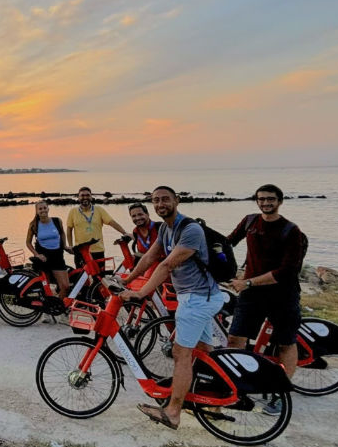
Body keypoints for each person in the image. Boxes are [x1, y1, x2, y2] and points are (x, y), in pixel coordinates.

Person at [122, 185, 231, 431]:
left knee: (181, 354)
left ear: (177, 200)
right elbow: (149, 258)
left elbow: (167, 265)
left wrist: (140, 292)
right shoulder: (165, 229)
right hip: (193, 297)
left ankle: (173, 412)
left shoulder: (190, 229)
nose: (160, 204)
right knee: (204, 350)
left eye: (165, 199)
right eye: (155, 200)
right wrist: (127, 280)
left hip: (197, 298)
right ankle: (216, 401)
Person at [225, 184, 305, 385]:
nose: (265, 203)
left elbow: (286, 272)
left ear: (279, 201)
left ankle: (282, 390)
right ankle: (235, 385)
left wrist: (248, 282)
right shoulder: (250, 221)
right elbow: (228, 243)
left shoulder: (291, 230)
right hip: (252, 294)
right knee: (235, 340)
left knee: (285, 343)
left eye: (270, 199)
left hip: (283, 295)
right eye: (261, 199)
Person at [65, 186, 127, 259]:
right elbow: (69, 229)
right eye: (82, 195)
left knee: (99, 271)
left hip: (98, 251)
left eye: (88, 195)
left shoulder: (99, 210)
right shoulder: (73, 211)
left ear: (91, 197)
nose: (85, 197)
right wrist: (71, 246)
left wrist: (124, 233)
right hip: (80, 251)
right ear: (78, 197)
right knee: (81, 271)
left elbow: (112, 222)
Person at [24, 200, 70, 295]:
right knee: (45, 287)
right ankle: (47, 308)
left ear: (48, 208)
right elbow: (28, 242)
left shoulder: (57, 221)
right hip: (43, 258)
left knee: (65, 286)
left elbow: (62, 233)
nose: (43, 210)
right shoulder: (33, 225)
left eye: (45, 208)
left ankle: (60, 307)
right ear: (37, 211)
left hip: (57, 256)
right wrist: (37, 255)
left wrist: (65, 246)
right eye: (40, 209)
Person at [121, 202, 161, 284]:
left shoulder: (160, 227)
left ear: (147, 214)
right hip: (145, 266)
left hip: (161, 266)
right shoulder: (136, 232)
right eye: (134, 216)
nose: (137, 218)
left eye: (140, 214)